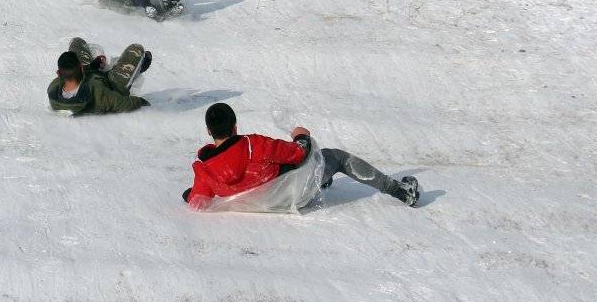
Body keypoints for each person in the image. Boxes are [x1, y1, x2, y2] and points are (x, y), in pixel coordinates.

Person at [183, 103, 420, 212]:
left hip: (267, 205)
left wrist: (189, 193)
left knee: (311, 165)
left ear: (208, 131)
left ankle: (323, 179)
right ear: (235, 127)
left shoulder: (204, 170)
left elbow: (198, 201)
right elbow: (297, 154)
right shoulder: (252, 145)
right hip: (296, 196)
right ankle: (399, 190)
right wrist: (302, 136)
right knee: (334, 156)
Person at [47, 37, 152, 115]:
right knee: (136, 49)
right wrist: (140, 101)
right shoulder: (99, 95)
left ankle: (94, 64)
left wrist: (92, 66)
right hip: (112, 84)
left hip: (90, 75)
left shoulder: (53, 89)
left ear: (59, 74)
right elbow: (123, 103)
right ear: (81, 68)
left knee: (77, 42)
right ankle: (137, 68)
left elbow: (73, 77)